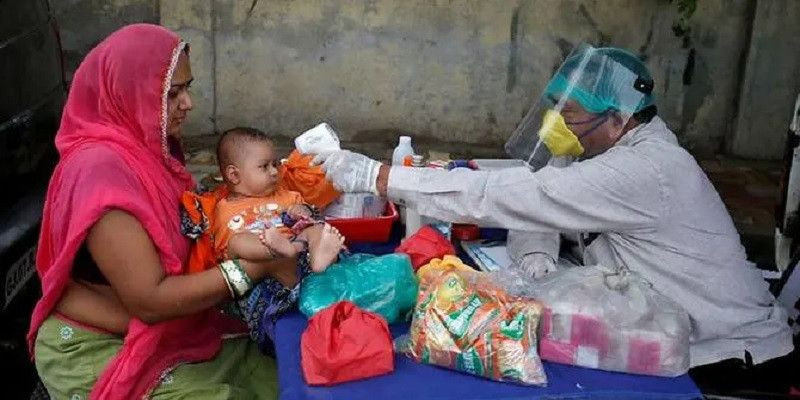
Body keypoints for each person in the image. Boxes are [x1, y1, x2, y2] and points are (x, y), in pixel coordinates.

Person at [314, 46, 795, 376]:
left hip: (726, 349)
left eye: (576, 115)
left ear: (618, 118)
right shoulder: (606, 149)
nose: (563, 123)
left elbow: (510, 195)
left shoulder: (647, 170)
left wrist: (381, 178)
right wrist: (534, 261)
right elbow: (542, 204)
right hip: (652, 321)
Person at [28, 24, 285, 399]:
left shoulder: (150, 151)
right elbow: (149, 300)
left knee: (286, 379)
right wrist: (256, 266)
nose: (188, 104)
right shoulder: (100, 173)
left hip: (167, 327)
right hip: (96, 345)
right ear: (127, 93)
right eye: (171, 93)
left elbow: (192, 232)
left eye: (187, 87)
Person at [195, 126, 345, 354]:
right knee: (238, 242)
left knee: (316, 228)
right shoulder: (223, 208)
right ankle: (280, 251)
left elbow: (305, 213)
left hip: (300, 262)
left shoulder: (286, 196)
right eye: (264, 167)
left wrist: (300, 211)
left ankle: (317, 258)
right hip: (265, 280)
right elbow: (226, 250)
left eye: (275, 164)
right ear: (234, 175)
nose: (274, 172)